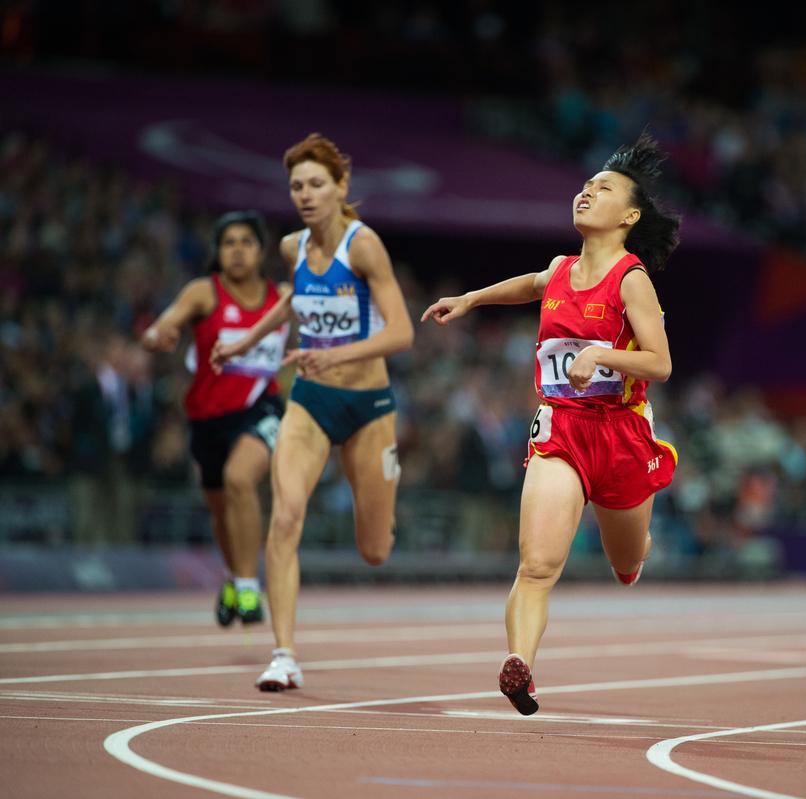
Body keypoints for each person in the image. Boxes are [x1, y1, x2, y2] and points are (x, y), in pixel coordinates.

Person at [422, 133, 681, 715]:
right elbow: (530, 285)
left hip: (620, 434)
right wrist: (470, 299)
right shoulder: (561, 269)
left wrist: (603, 356)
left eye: (604, 188)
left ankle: (638, 548)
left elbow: (661, 364)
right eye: (586, 185)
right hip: (561, 428)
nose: (587, 192)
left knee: (626, 563)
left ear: (629, 216)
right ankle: (522, 666)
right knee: (537, 565)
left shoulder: (631, 279)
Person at [212, 134, 414, 691]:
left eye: (316, 184)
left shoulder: (364, 246)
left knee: (374, 550)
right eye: (296, 185)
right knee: (285, 516)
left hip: (369, 406)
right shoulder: (289, 247)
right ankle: (283, 655)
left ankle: (381, 509)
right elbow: (291, 300)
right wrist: (242, 340)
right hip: (311, 401)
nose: (305, 194)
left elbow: (401, 333)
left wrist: (332, 354)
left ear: (340, 187)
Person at [141, 211, 286, 625]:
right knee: (222, 511)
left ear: (260, 251)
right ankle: (233, 575)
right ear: (218, 253)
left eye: (246, 242)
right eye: (229, 243)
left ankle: (247, 587)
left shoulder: (284, 296)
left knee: (242, 479)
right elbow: (160, 327)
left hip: (261, 408)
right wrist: (157, 337)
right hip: (207, 418)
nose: (238, 251)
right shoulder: (204, 292)